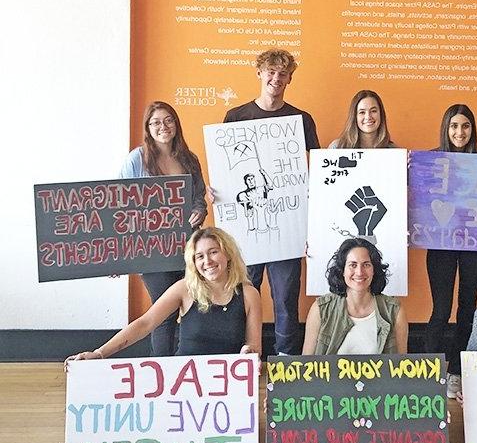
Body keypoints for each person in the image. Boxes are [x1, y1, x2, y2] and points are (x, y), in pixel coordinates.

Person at [223, 49, 319, 355]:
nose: (276, 79)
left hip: (287, 227)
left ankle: (286, 361)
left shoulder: (301, 120)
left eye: (282, 74)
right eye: (271, 72)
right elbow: (226, 170)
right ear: (259, 73)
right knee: (239, 296)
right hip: (246, 227)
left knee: (286, 300)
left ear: (290, 78)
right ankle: (239, 358)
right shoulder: (235, 117)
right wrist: (218, 192)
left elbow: (313, 171)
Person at [64, 227, 262, 363]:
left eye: (213, 252)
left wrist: (248, 352)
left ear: (227, 254)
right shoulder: (184, 289)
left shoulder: (249, 294)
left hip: (230, 387)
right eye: (199, 256)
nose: (207, 261)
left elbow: (254, 346)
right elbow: (145, 323)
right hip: (184, 383)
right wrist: (99, 354)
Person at [119, 100, 207, 356]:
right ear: (148, 127)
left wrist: (199, 210)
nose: (163, 126)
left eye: (168, 120)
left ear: (176, 124)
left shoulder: (189, 159)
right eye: (156, 122)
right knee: (164, 312)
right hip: (152, 251)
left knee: (192, 307)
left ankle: (186, 367)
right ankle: (162, 370)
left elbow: (199, 196)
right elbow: (120, 206)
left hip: (187, 247)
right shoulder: (137, 159)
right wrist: (119, 256)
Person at [425, 105, 477, 399]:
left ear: (472, 129)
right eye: (454, 126)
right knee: (440, 310)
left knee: (467, 310)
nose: (460, 132)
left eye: (465, 126)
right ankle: (428, 371)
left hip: (475, 247)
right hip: (440, 245)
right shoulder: (430, 162)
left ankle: (455, 374)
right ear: (445, 129)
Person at [302, 237, 408, 354]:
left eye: (366, 265)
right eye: (353, 265)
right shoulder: (320, 309)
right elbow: (307, 366)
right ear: (342, 270)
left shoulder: (394, 311)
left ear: (374, 270)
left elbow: (400, 366)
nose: (359, 272)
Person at [329, 90, 396, 148]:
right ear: (354, 117)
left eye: (373, 111)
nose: (368, 117)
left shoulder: (395, 152)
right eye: (362, 112)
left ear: (381, 114)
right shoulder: (337, 147)